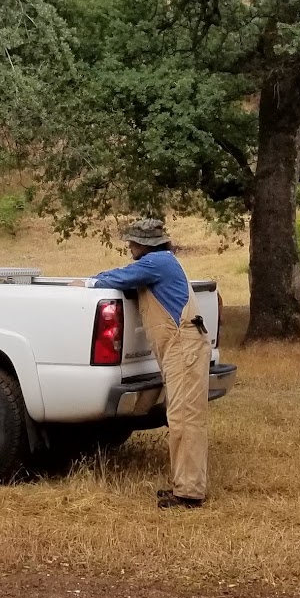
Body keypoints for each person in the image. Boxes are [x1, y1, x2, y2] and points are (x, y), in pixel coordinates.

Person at [88, 216, 209, 508]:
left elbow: (115, 278)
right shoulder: (163, 262)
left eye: (132, 241)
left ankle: (189, 493)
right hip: (184, 346)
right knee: (183, 416)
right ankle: (186, 486)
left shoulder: (155, 264)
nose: (129, 245)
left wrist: (90, 281)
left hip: (183, 347)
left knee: (184, 418)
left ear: (145, 244)